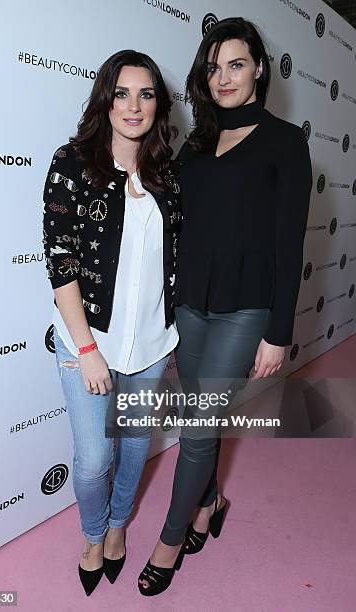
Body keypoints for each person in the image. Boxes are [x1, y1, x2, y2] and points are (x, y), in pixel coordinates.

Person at [138, 17, 312, 596]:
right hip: (190, 305)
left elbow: (291, 245)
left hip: (246, 311)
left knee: (195, 426)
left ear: (260, 68)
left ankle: (168, 541)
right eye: (213, 67)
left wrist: (278, 331)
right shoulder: (197, 143)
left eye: (236, 64)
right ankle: (210, 502)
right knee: (201, 423)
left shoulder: (286, 142)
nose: (223, 77)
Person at [42, 49, 180, 596]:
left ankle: (119, 527)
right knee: (95, 455)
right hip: (88, 342)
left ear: (158, 104)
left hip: (151, 344)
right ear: (105, 98)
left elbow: (182, 257)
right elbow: (61, 259)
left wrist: (174, 334)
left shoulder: (169, 174)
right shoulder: (73, 162)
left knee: (134, 444)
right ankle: (92, 533)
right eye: (122, 93)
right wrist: (86, 349)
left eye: (146, 94)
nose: (134, 105)